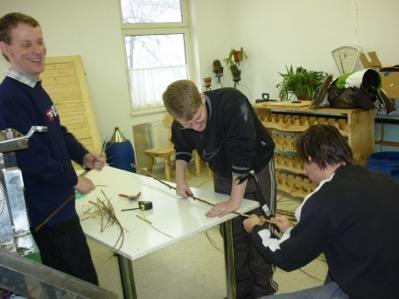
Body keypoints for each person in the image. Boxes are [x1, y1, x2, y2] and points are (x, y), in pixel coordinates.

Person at [0, 12, 105, 284]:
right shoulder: (9, 99)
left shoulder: (35, 88)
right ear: (5, 48)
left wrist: (82, 154)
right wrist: (74, 180)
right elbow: (31, 158)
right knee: (79, 284)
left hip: (60, 204)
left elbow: (56, 131)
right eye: (26, 44)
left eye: (40, 41)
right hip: (48, 213)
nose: (38, 50)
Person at [243, 124, 399, 299]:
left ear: (310, 159)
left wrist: (257, 229)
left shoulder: (322, 199)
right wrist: (293, 232)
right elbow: (348, 229)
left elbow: (285, 257)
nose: (303, 169)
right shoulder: (381, 179)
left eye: (303, 162)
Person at [163, 80, 278, 298]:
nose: (196, 128)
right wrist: (180, 180)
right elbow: (182, 148)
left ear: (201, 97)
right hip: (223, 172)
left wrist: (234, 202)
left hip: (256, 167)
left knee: (260, 228)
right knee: (232, 234)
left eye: (198, 120)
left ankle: (264, 291)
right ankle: (239, 291)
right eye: (188, 125)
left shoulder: (232, 103)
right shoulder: (182, 120)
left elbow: (242, 156)